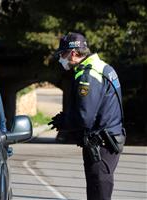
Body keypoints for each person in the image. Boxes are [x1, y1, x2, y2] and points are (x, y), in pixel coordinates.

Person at [49, 32, 126, 200]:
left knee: (98, 194)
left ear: (74, 53)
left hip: (101, 145)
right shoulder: (104, 67)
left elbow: (84, 118)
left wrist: (65, 121)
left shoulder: (88, 75)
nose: (61, 58)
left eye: (63, 54)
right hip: (109, 140)